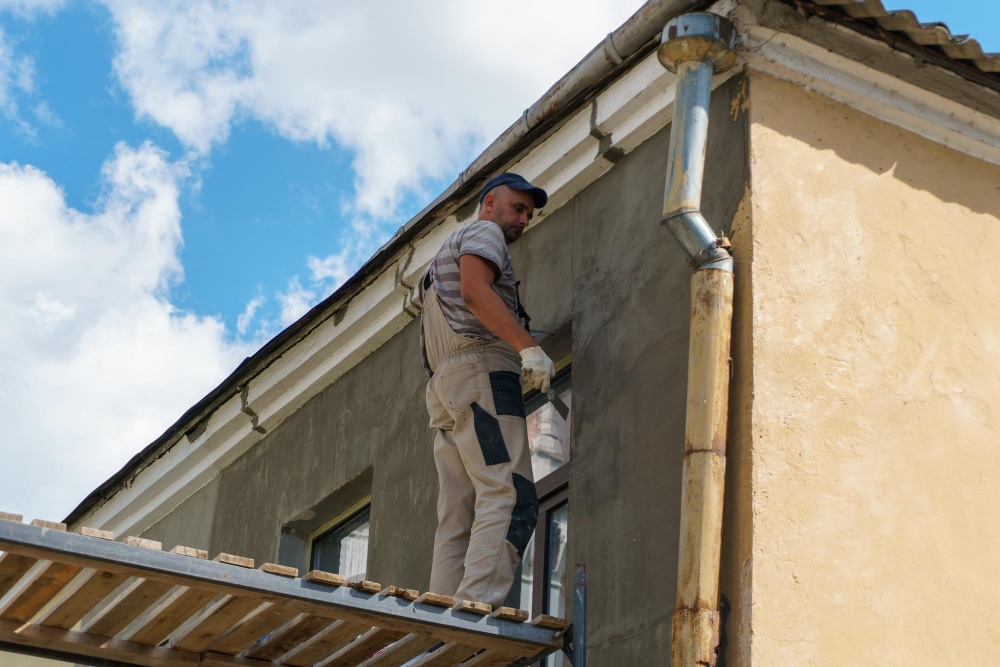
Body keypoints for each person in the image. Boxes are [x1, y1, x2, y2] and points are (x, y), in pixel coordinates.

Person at [419, 172, 554, 609]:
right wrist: (528, 347)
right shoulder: (482, 231)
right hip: (481, 370)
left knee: (459, 511)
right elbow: (477, 293)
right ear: (490, 203)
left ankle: (439, 617)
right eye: (518, 208)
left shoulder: (437, 262)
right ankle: (473, 611)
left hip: (446, 387)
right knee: (510, 494)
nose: (523, 219)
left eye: (529, 214)